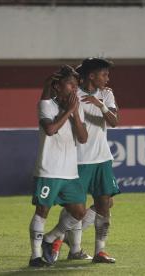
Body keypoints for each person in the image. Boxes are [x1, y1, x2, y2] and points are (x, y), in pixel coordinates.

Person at [54, 57, 120, 263]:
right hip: (79, 160)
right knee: (75, 209)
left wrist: (100, 105)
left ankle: (100, 251)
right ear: (91, 75)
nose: (107, 78)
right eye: (104, 74)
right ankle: (65, 243)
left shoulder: (106, 94)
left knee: (105, 204)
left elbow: (114, 122)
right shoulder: (74, 94)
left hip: (102, 159)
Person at [28, 65, 88, 267]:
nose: (74, 88)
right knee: (42, 211)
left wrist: (76, 114)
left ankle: (50, 238)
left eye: (76, 85)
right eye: (70, 84)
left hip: (69, 172)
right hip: (49, 170)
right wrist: (69, 110)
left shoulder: (75, 108)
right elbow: (51, 129)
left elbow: (83, 137)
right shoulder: (47, 105)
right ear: (58, 86)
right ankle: (35, 257)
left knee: (79, 212)